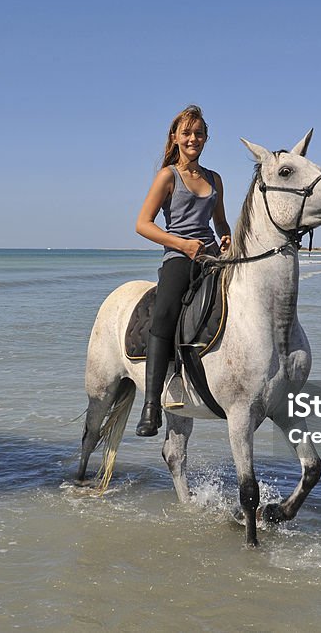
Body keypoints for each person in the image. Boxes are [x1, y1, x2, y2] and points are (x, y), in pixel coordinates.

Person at [133, 105, 231, 437]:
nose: (193, 139)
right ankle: (150, 406)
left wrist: (227, 237)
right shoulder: (167, 176)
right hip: (178, 257)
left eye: (199, 133)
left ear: (206, 138)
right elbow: (143, 225)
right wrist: (182, 245)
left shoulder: (215, 178)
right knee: (164, 314)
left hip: (211, 257)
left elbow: (220, 223)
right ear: (175, 138)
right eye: (186, 133)